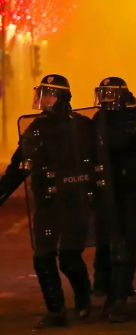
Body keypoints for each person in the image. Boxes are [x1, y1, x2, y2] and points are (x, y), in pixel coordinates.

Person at [0, 75, 96, 328]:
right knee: (42, 256)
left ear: (62, 97)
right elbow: (19, 166)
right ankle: (55, 311)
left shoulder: (82, 126)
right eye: (41, 94)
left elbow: (99, 161)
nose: (43, 100)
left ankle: (84, 300)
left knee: (69, 256)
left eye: (49, 94)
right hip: (47, 201)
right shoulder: (36, 128)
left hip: (74, 200)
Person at [92, 77, 136, 322]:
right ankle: (105, 286)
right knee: (105, 242)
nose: (106, 98)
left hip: (128, 191)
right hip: (105, 190)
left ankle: (118, 298)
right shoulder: (100, 118)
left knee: (125, 244)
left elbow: (120, 144)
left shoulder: (129, 122)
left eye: (110, 94)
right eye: (103, 93)